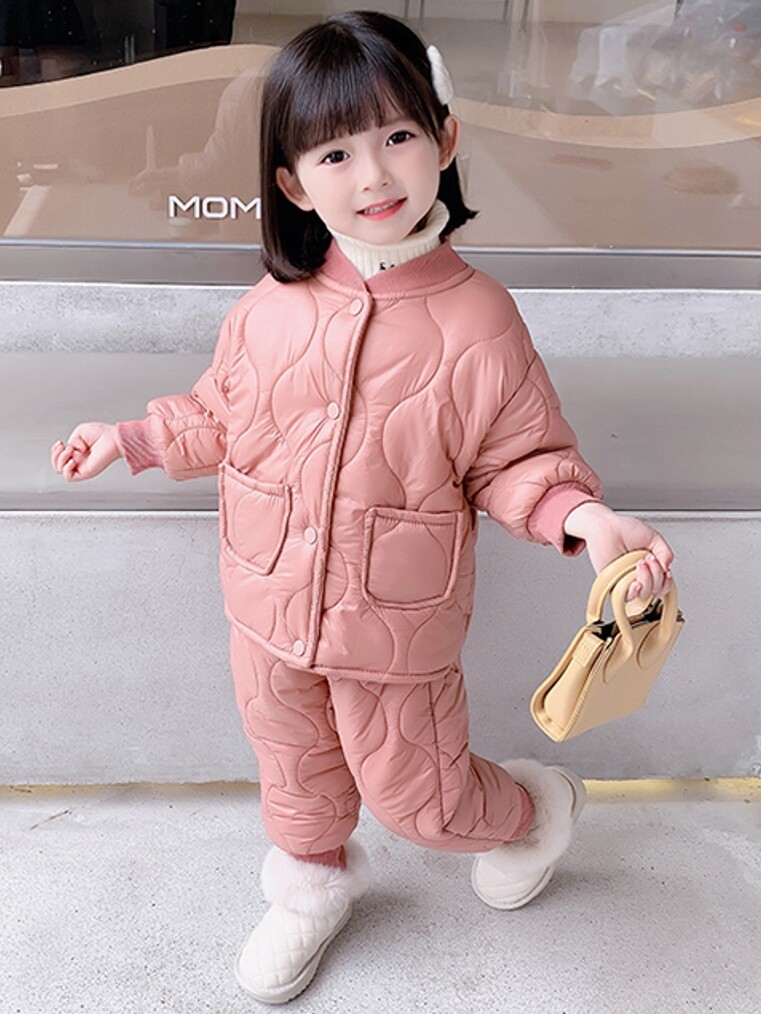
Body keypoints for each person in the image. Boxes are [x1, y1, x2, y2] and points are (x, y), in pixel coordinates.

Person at [51, 11, 675, 1005]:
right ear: (294, 184)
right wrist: (126, 439)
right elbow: (222, 416)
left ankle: (534, 810)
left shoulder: (479, 319)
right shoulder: (269, 307)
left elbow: (516, 456)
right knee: (294, 778)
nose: (374, 174)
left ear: (445, 140)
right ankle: (309, 891)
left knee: (420, 800)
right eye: (335, 152)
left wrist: (583, 519)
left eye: (397, 136)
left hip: (395, 624)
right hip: (265, 605)